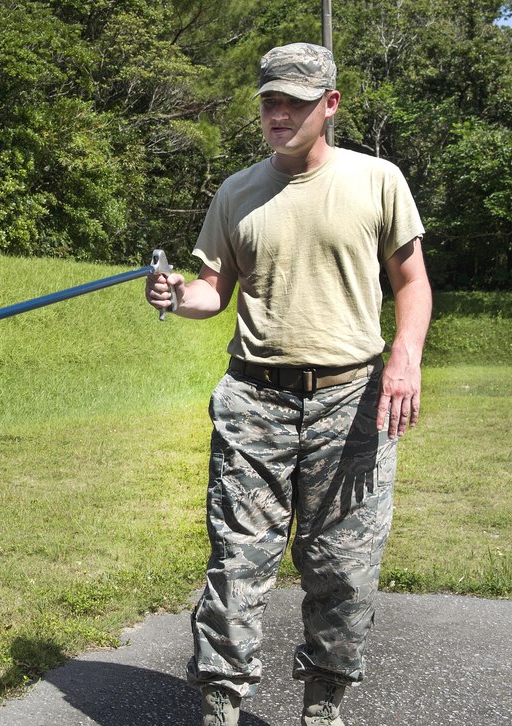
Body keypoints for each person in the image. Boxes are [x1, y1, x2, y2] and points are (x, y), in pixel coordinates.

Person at [146, 42, 432, 726]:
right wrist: (173, 293)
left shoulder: (378, 181)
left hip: (350, 401)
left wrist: (406, 356)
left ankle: (322, 705)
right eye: (271, 101)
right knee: (236, 563)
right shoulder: (236, 192)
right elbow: (212, 292)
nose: (279, 114)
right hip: (254, 401)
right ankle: (222, 703)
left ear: (328, 105)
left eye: (295, 103)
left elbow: (413, 283)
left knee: (343, 570)